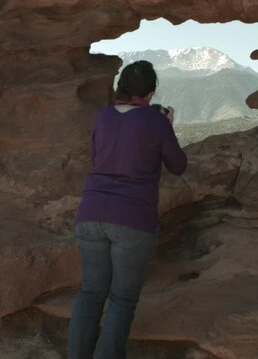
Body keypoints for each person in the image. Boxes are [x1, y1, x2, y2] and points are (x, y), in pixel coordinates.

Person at [68, 60, 187, 359]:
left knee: (91, 294)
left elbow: (98, 159)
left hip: (91, 213)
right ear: (150, 92)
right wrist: (167, 126)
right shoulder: (156, 121)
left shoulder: (103, 117)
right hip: (132, 219)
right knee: (122, 300)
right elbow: (178, 165)